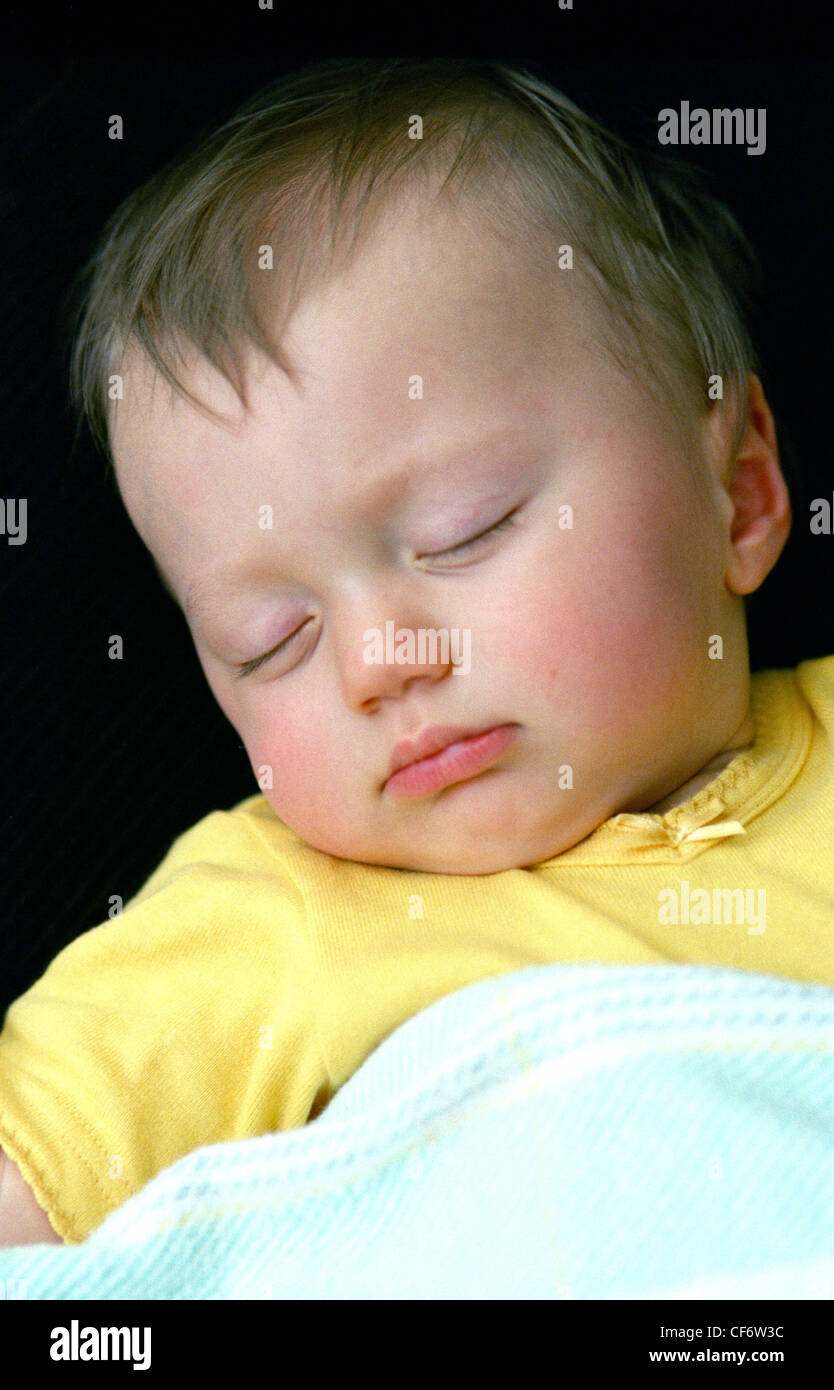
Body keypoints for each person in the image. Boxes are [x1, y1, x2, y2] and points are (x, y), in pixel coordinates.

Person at [1, 57, 830, 1246]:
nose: (379, 661)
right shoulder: (271, 915)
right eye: (270, 640)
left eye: (465, 529)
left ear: (739, 491)